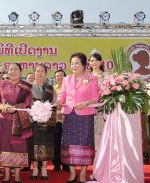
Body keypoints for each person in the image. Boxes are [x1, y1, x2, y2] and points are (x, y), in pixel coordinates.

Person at [57, 52, 99, 183]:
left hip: (85, 115)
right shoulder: (66, 79)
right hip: (69, 115)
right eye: (72, 63)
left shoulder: (92, 79)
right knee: (69, 144)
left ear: (84, 65)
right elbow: (62, 95)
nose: (73, 66)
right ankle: (72, 173)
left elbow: (96, 97)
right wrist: (59, 101)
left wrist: (85, 103)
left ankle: (83, 174)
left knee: (84, 144)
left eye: (76, 63)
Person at [0, 63, 33, 183]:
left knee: (18, 147)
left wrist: (15, 107)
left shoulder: (26, 87)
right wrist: (2, 106)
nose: (12, 72)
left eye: (15, 69)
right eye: (10, 70)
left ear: (20, 72)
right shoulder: (2, 83)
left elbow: (27, 102)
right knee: (5, 146)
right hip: (4, 120)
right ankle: (6, 175)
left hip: (19, 120)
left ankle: (17, 175)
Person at [29, 64, 57, 180]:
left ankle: (44, 169)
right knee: (34, 144)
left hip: (47, 120)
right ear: (34, 73)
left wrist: (47, 112)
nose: (40, 73)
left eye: (42, 71)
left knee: (46, 145)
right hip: (34, 120)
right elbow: (27, 103)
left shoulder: (50, 88)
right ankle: (35, 169)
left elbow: (54, 103)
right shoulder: (29, 87)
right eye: (37, 71)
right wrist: (35, 112)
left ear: (46, 74)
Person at [88, 51, 105, 151]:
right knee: (91, 132)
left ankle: (101, 154)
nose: (93, 63)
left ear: (100, 62)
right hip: (89, 107)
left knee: (100, 131)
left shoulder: (105, 76)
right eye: (91, 61)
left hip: (102, 107)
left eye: (96, 60)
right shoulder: (86, 76)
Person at [52, 69, 69, 172]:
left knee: (66, 143)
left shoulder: (70, 88)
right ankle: (57, 164)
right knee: (56, 143)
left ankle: (66, 164)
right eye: (57, 76)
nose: (59, 77)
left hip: (68, 119)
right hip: (56, 120)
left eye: (61, 76)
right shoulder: (53, 89)